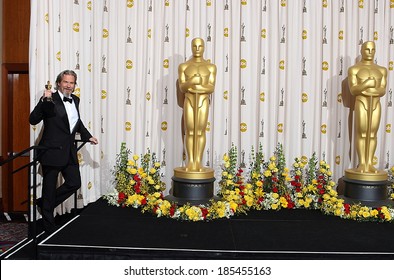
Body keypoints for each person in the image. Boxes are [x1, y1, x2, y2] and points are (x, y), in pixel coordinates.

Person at [29, 70, 98, 234]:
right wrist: (44, 101)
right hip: (51, 151)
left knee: (74, 183)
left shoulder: (75, 99)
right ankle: (49, 228)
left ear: (75, 85)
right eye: (65, 82)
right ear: (58, 83)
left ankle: (44, 204)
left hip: (68, 151)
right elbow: (33, 119)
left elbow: (75, 121)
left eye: (71, 82)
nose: (68, 85)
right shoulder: (49, 98)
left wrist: (88, 136)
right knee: (49, 188)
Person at [348, 41, 387, 173]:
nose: (370, 52)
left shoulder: (381, 70)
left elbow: (382, 90)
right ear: (361, 50)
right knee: (362, 133)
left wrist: (372, 91)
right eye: (367, 50)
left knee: (372, 134)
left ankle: (370, 163)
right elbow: (353, 90)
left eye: (372, 50)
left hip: (375, 103)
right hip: (362, 102)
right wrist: (367, 84)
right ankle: (362, 163)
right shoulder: (354, 69)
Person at [178, 38, 217, 172]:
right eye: (195, 46)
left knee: (200, 131)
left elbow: (211, 88)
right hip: (189, 100)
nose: (197, 49)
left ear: (204, 47)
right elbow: (182, 87)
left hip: (202, 101)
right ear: (191, 47)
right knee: (190, 131)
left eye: (200, 46)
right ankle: (191, 161)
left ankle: (198, 161)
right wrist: (191, 82)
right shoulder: (184, 66)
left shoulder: (210, 67)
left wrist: (198, 87)